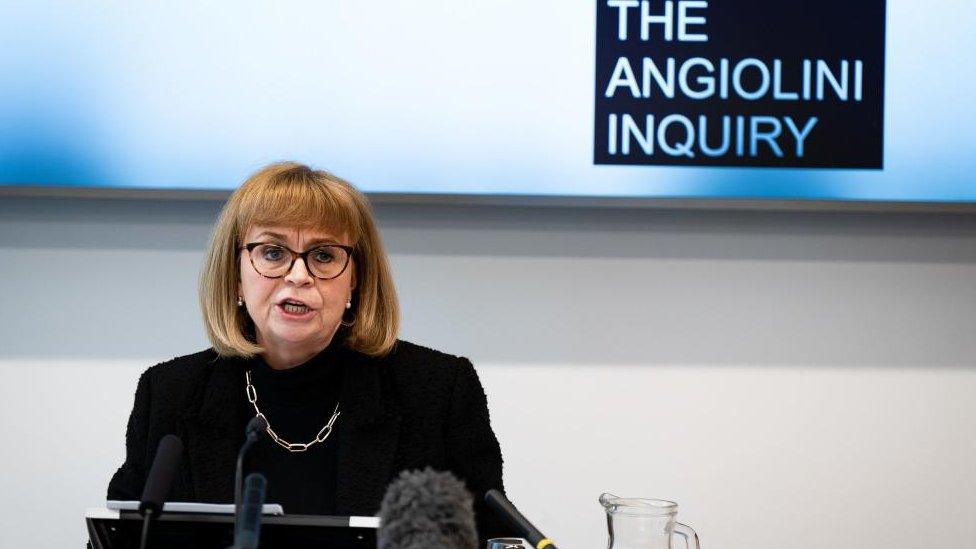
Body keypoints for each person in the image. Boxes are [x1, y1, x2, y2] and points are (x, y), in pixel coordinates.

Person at [107, 161, 506, 541]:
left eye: (324, 255)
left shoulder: (436, 392)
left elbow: (495, 538)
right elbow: (123, 536)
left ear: (355, 281)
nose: (299, 276)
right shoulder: (171, 394)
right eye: (273, 252)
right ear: (235, 277)